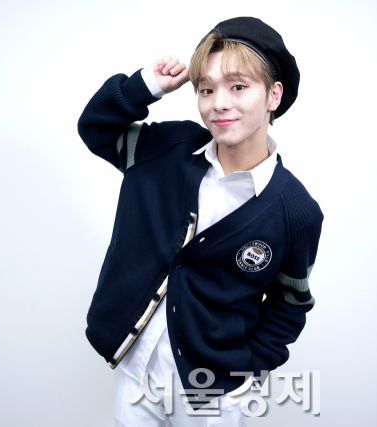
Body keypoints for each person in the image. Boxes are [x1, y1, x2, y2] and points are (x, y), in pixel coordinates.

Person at [77, 16, 324, 426]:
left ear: (273, 95)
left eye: (238, 87)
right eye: (206, 89)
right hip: (136, 372)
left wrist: (248, 373)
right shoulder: (166, 150)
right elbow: (96, 127)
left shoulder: (295, 211)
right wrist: (148, 84)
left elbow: (291, 303)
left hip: (215, 396)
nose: (218, 103)